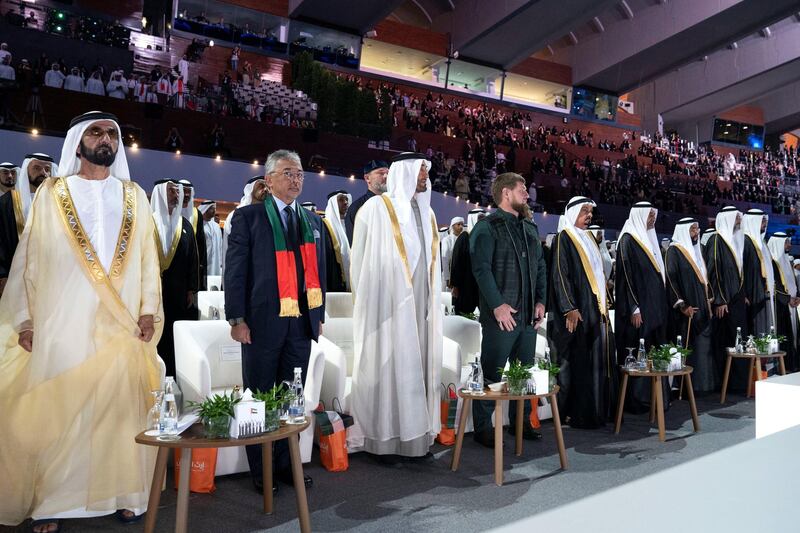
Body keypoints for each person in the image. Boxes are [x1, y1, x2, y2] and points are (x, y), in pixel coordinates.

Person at [0, 111, 162, 533]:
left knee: (120, 412)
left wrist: (148, 310)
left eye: (112, 133)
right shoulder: (53, 194)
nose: (105, 138)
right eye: (96, 132)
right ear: (77, 143)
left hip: (122, 323)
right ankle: (54, 502)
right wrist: (26, 319)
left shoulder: (134, 196)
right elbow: (30, 260)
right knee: (62, 408)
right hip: (63, 320)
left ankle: (125, 493)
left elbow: (147, 260)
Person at [225, 149, 326, 493]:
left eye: (299, 174)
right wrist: (237, 319)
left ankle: (285, 465)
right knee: (259, 398)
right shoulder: (248, 217)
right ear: (268, 181)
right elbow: (235, 274)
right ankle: (261, 470)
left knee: (290, 399)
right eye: (287, 173)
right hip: (261, 324)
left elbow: (321, 274)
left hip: (301, 324)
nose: (295, 180)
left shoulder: (312, 222)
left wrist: (319, 316)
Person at [349, 152, 442, 458]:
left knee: (417, 367)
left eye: (426, 172)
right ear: (405, 173)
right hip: (386, 307)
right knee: (389, 368)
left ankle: (416, 439)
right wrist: (368, 302)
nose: (425, 177)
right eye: (420, 172)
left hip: (421, 308)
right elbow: (359, 261)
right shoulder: (375, 209)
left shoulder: (427, 213)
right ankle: (385, 440)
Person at [470, 173, 546, 447]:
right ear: (505, 193)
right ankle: (482, 427)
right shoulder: (487, 227)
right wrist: (498, 305)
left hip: (528, 317)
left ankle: (521, 422)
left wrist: (541, 301)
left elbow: (540, 268)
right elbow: (481, 270)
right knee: (492, 371)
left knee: (523, 373)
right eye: (522, 189)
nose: (527, 195)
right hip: (501, 317)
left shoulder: (529, 228)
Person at [548, 196, 618, 429]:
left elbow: (598, 276)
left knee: (595, 363)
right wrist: (569, 308)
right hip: (577, 314)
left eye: (590, 211)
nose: (588, 215)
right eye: (584, 211)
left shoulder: (588, 238)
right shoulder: (564, 238)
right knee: (578, 363)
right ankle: (578, 414)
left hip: (595, 312)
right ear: (572, 213)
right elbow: (560, 274)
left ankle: (597, 411)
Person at [614, 201, 669, 413]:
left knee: (652, 352)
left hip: (654, 310)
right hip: (637, 312)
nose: (653, 219)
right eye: (649, 215)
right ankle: (637, 401)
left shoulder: (649, 240)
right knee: (637, 353)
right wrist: (634, 307)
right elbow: (626, 277)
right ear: (639, 215)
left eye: (654, 216)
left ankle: (654, 398)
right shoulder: (628, 240)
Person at [151, 179, 199, 377]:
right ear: (161, 193)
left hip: (179, 292)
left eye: (177, 191)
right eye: (171, 191)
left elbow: (193, 260)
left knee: (174, 335)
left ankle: (173, 376)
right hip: (154, 291)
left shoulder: (184, 224)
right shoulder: (147, 222)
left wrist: (191, 289)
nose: (176, 195)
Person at [666, 218, 715, 391]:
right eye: (692, 229)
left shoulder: (698, 250)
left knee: (702, 348)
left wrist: (710, 297)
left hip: (702, 307)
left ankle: (703, 386)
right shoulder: (674, 251)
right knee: (689, 348)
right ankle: (686, 389)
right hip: (686, 310)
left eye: (697, 229)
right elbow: (671, 280)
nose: (696, 233)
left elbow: (704, 279)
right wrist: (682, 305)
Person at [704, 206, 748, 392]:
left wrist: (742, 294)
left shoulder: (736, 241)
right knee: (725, 342)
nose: (739, 220)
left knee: (738, 340)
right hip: (724, 303)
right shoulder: (716, 239)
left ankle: (738, 383)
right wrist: (720, 300)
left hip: (736, 300)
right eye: (736, 217)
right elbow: (713, 270)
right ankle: (724, 383)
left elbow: (738, 272)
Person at [0, 153, 55, 292]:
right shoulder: (7, 202)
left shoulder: (58, 202)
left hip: (52, 273)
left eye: (47, 169)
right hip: (16, 274)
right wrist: (2, 274)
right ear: (26, 171)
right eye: (36, 168)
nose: (43, 172)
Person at [222, 175, 267, 274]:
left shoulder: (269, 217)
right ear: (249, 189)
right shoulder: (235, 216)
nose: (265, 189)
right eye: (261, 186)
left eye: (267, 186)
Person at [768, 232, 799, 371]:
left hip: (792, 305)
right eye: (786, 242)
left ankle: (792, 364)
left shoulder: (786, 261)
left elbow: (793, 283)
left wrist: (797, 296)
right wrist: (788, 299)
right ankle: (782, 366)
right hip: (780, 306)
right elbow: (775, 286)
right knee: (783, 336)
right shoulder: (772, 262)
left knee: (793, 336)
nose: (789, 245)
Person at [742, 209, 774, 337]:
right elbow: (741, 270)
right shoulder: (745, 241)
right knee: (754, 332)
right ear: (753, 222)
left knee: (764, 331)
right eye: (762, 221)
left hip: (763, 294)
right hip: (751, 296)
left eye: (765, 221)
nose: (765, 225)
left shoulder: (762, 243)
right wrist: (743, 293)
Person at [450, 209, 487, 315]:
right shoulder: (464, 237)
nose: (482, 221)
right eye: (480, 219)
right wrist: (455, 285)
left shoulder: (485, 238)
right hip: (465, 284)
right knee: (463, 315)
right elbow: (456, 262)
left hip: (480, 286)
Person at [344, 160, 389, 243]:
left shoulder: (393, 204)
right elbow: (353, 243)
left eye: (388, 173)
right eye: (381, 173)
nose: (386, 176)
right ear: (367, 178)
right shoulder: (357, 208)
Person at [178, 179, 207, 291]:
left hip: (192, 267)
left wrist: (200, 266)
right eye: (183, 191)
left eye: (188, 192)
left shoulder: (196, 214)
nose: (186, 195)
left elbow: (201, 243)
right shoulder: (172, 211)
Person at [322, 189, 351, 292]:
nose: (346, 203)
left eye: (346, 199)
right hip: (333, 279)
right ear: (333, 203)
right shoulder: (325, 226)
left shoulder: (350, 224)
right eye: (341, 200)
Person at [199, 200, 223, 276]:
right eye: (212, 208)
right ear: (205, 209)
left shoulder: (216, 226)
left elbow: (220, 245)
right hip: (203, 264)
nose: (214, 211)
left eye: (215, 208)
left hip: (216, 263)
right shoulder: (199, 225)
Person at [440, 216, 464, 290]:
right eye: (458, 224)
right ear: (453, 226)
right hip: (449, 274)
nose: (461, 226)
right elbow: (445, 259)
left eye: (462, 224)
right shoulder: (447, 240)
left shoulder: (464, 240)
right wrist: (447, 278)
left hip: (460, 275)